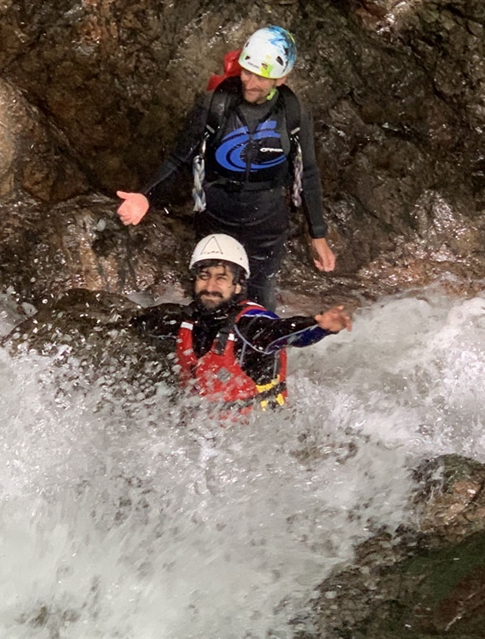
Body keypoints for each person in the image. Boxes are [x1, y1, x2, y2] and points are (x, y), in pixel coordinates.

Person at [117, 25, 336, 312]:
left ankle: (258, 354)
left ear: (281, 79)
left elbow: (307, 172)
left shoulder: (293, 114)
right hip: (217, 215)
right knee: (210, 296)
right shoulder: (215, 106)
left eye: (261, 76)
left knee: (259, 301)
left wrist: (317, 234)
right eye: (246, 71)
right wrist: (146, 196)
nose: (250, 82)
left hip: (267, 222)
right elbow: (180, 159)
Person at [132, 234, 351, 412]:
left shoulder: (250, 327)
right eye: (204, 276)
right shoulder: (180, 320)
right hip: (203, 435)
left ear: (237, 286)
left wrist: (318, 327)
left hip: (257, 436)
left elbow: (285, 332)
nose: (210, 286)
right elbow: (130, 323)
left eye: (221, 278)